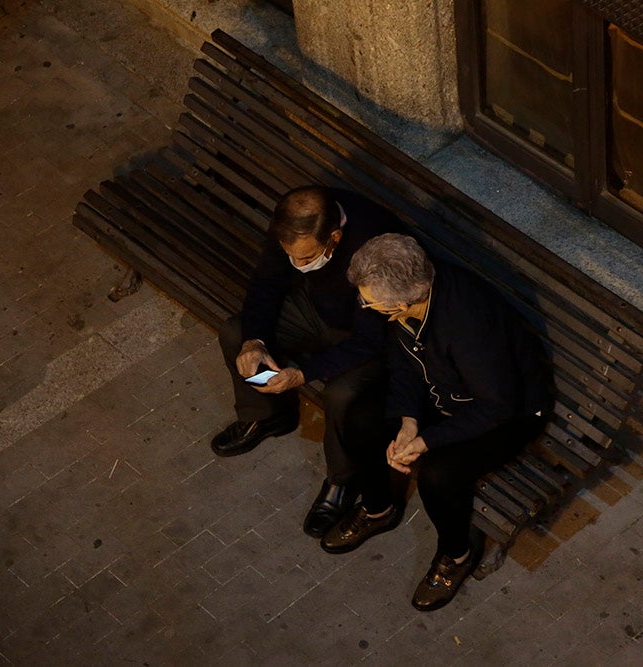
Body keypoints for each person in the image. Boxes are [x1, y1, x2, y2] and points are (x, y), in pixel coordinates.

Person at [322, 233, 553, 611]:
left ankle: (456, 555)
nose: (362, 304)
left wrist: (428, 441)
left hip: (508, 413)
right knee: (362, 419)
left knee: (439, 475)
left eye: (370, 301)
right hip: (446, 392)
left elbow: (498, 406)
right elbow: (404, 362)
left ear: (402, 303)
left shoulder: (468, 327)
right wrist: (409, 422)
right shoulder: (410, 301)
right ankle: (379, 508)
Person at [212, 186, 398, 538]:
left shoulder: (375, 246)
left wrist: (304, 373)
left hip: (369, 336)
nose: (299, 265)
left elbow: (369, 341)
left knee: (343, 396)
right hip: (318, 312)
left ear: (335, 237)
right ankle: (266, 415)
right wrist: (255, 341)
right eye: (291, 256)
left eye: (307, 257)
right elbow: (267, 281)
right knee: (236, 332)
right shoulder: (292, 225)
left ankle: (341, 480)